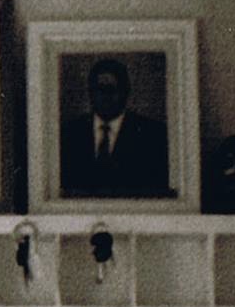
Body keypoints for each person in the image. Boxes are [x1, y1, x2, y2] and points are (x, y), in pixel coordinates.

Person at [59, 55, 171, 199]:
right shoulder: (69, 133)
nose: (105, 96)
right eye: (100, 89)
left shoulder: (153, 134)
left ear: (126, 92)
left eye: (111, 89)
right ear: (90, 93)